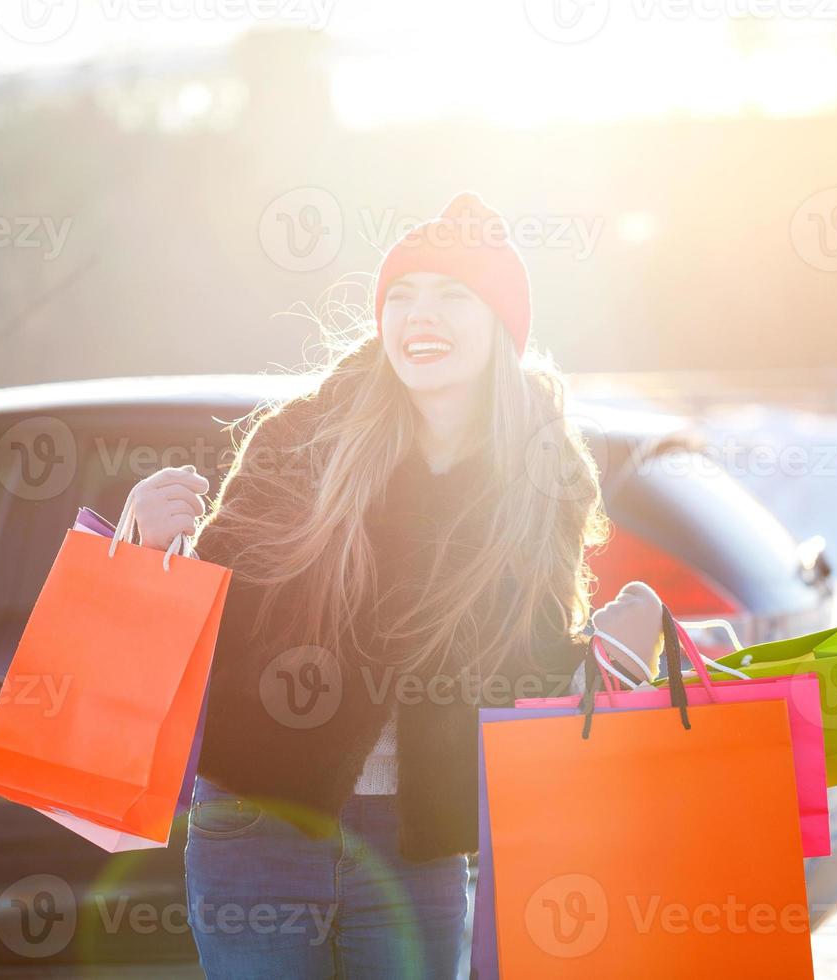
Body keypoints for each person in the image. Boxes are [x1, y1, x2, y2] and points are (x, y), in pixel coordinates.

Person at [129, 192, 665, 978]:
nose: (422, 315)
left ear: (500, 326)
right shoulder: (304, 440)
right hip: (259, 833)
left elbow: (526, 681)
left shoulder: (537, 482)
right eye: (403, 295)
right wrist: (145, 544)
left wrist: (613, 654)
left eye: (453, 294)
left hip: (421, 852)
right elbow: (213, 620)